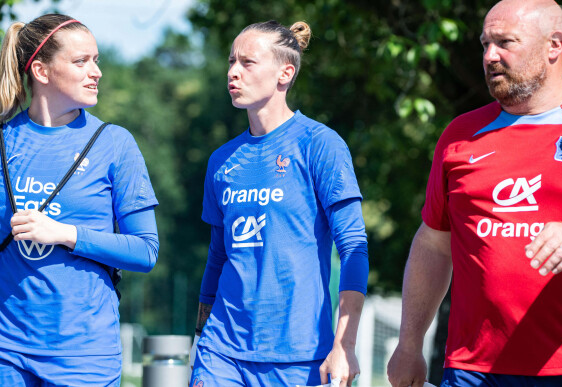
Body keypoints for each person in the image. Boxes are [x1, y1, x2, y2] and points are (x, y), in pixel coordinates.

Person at [386, 0, 562, 386]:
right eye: (485, 43)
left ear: (554, 45)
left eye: (506, 42)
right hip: (473, 369)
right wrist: (409, 344)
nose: (490, 56)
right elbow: (434, 244)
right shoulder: (460, 134)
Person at [189, 20, 369, 387]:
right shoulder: (222, 160)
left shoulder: (320, 144)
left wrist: (344, 345)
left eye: (247, 63)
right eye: (230, 62)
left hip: (300, 356)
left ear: (285, 73)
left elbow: (353, 247)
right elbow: (218, 255)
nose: (233, 72)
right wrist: (200, 331)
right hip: (221, 351)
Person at [0, 14, 159, 386]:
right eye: (80, 61)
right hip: (7, 354)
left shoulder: (115, 144)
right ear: (41, 70)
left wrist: (66, 234)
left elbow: (145, 251)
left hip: (84, 357)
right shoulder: (5, 140)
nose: (96, 72)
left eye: (97, 60)